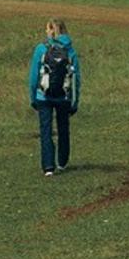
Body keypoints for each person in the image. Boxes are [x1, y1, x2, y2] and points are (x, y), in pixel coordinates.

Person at [28, 18, 81, 177]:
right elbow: (76, 79)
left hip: (43, 96)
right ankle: (63, 161)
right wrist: (75, 101)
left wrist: (33, 97)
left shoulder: (41, 49)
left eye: (47, 28)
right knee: (63, 128)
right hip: (64, 96)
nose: (45, 32)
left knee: (46, 130)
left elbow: (33, 76)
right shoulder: (71, 51)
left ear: (52, 30)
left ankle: (48, 166)